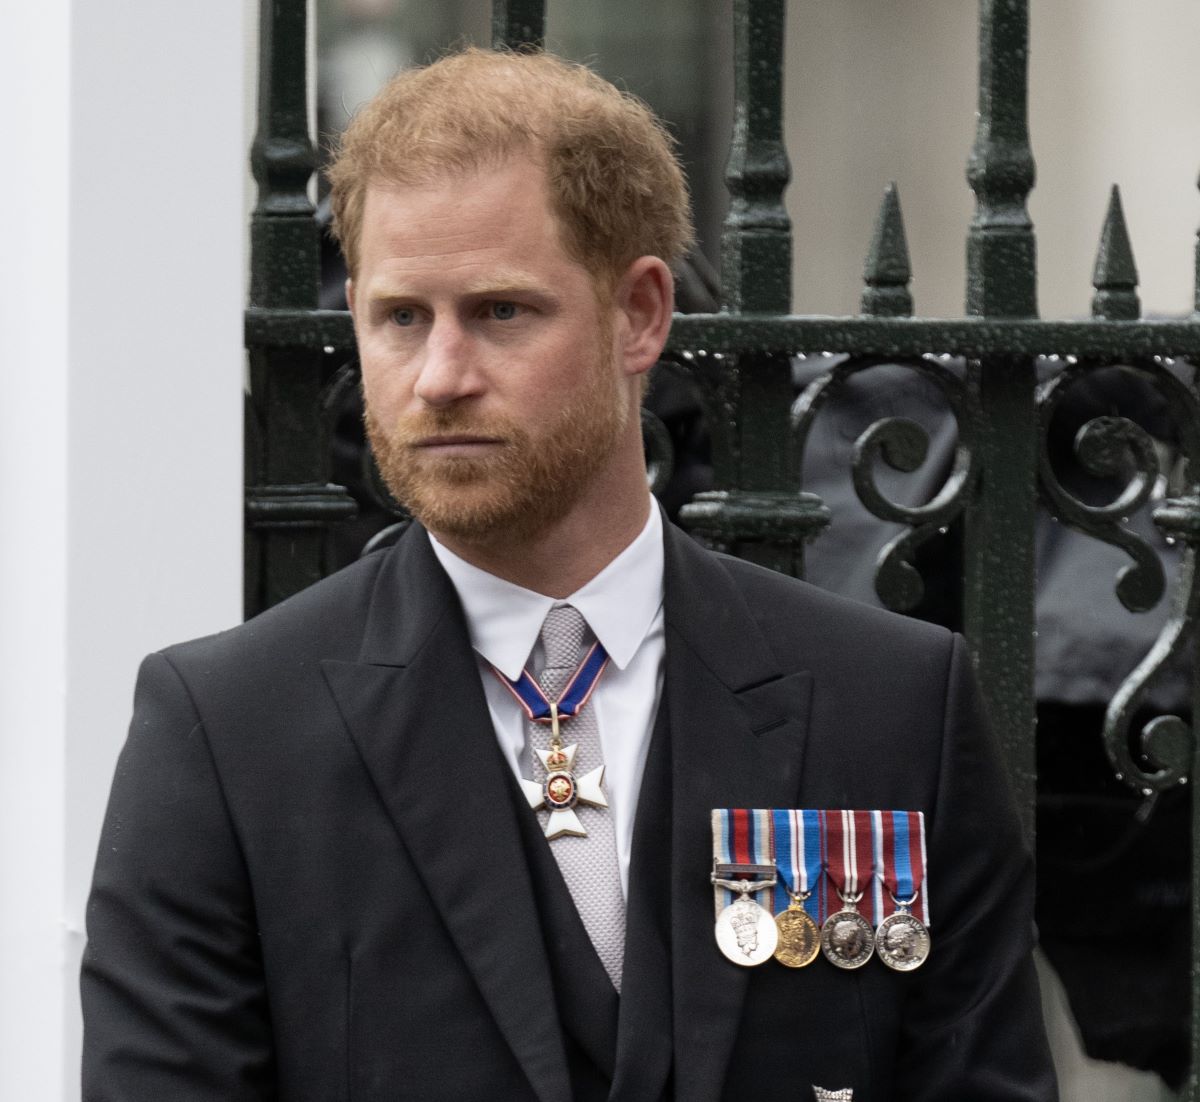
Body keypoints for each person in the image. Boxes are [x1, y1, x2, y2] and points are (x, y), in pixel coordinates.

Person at [80, 48, 1057, 1101]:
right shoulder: (227, 731)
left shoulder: (894, 704)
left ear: (639, 313)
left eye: (501, 311)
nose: (441, 377)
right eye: (402, 317)